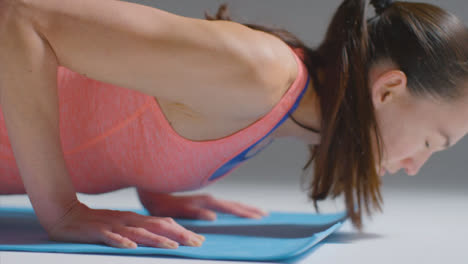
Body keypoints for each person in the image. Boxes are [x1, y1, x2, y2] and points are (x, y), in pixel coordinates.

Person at [0, 0, 467, 250]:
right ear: (387, 90)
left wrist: (157, 184)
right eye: (431, 141)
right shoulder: (261, 70)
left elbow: (131, 104)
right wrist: (60, 210)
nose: (414, 166)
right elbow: (22, 17)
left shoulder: (280, 108)